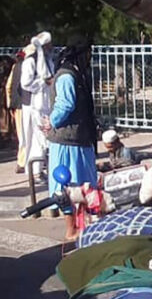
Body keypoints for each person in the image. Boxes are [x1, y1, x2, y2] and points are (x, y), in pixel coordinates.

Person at [41, 35, 97, 241]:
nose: (91, 58)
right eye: (89, 54)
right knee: (67, 185)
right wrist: (52, 122)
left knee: (82, 184)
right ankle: (71, 228)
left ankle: (82, 224)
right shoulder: (67, 76)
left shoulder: (75, 74)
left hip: (78, 139)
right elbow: (65, 104)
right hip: (67, 142)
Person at [21, 31, 55, 176]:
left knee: (40, 138)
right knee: (41, 137)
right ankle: (39, 168)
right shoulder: (31, 61)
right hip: (38, 103)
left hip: (49, 102)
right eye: (49, 44)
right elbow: (25, 84)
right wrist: (43, 82)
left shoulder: (49, 60)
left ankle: (37, 169)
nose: (51, 47)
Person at [5, 50, 28, 172]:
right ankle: (23, 161)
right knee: (26, 134)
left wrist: (10, 104)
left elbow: (8, 86)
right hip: (27, 105)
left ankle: (23, 160)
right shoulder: (29, 66)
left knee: (22, 134)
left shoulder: (15, 67)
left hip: (17, 106)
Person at [0, 56, 15, 142]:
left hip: (10, 97)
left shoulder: (12, 73)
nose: (4, 65)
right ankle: (5, 134)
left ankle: (12, 134)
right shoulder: (2, 74)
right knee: (4, 115)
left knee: (11, 116)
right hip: (3, 97)